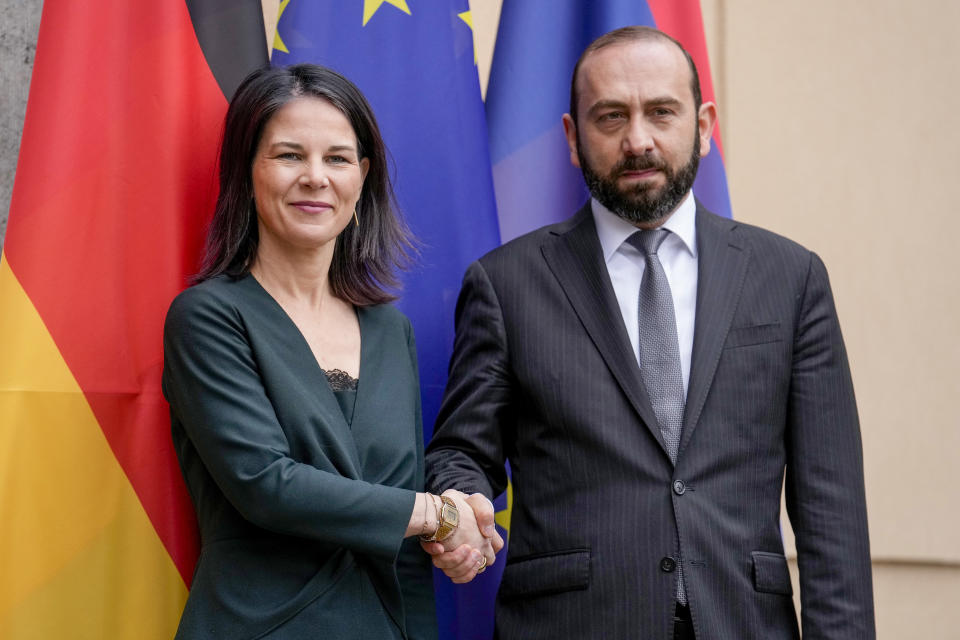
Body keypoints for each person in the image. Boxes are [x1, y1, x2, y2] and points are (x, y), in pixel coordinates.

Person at [425, 26, 874, 639]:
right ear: (572, 138)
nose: (638, 140)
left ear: (705, 124)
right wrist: (459, 499)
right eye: (610, 116)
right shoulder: (507, 285)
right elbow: (460, 451)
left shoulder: (790, 278)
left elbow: (832, 507)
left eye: (661, 112)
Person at [162, 64, 496, 640]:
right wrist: (438, 517)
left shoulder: (392, 332)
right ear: (247, 172)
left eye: (337, 159)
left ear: (362, 178)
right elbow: (266, 484)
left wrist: (444, 538)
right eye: (290, 155)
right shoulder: (208, 318)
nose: (315, 178)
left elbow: (406, 547)